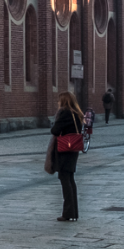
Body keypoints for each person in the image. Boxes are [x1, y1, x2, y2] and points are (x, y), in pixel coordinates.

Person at [51, 93, 85, 222]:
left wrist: (55, 122)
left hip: (65, 149)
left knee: (65, 179)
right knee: (70, 179)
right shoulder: (77, 113)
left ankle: (67, 213)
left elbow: (55, 130)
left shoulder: (65, 113)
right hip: (73, 149)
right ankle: (73, 212)